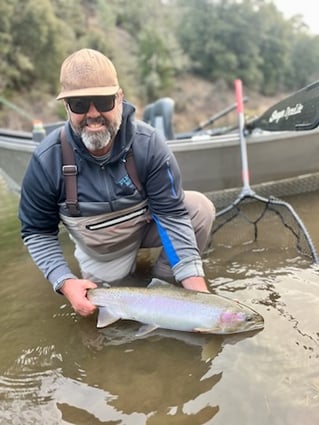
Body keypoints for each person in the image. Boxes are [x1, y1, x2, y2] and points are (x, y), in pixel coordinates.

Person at [18, 48, 216, 317]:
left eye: (102, 101)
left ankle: (163, 284)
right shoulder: (46, 160)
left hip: (143, 228)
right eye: (79, 104)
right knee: (104, 314)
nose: (92, 114)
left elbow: (171, 215)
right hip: (102, 253)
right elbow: (37, 232)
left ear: (120, 98)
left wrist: (198, 295)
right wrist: (64, 281)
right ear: (66, 107)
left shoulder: (149, 145)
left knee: (199, 208)